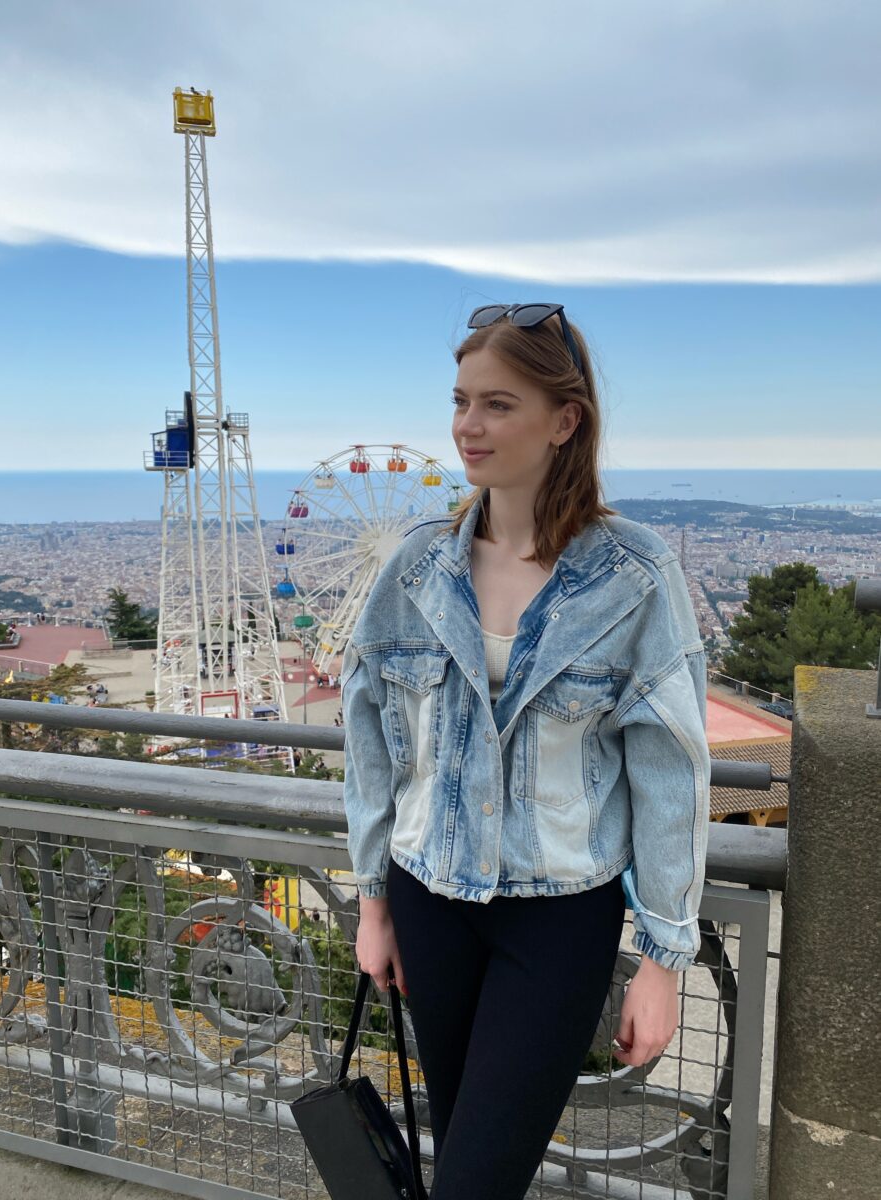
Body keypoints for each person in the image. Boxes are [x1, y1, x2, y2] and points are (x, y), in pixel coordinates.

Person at [340, 302, 711, 1200]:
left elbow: (671, 772)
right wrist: (375, 901)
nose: (468, 426)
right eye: (461, 400)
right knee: (469, 1157)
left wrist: (663, 961)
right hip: (431, 899)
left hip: (557, 918)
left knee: (472, 1179)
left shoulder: (633, 576)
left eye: (499, 404)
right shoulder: (415, 569)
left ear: (564, 421)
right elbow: (372, 744)